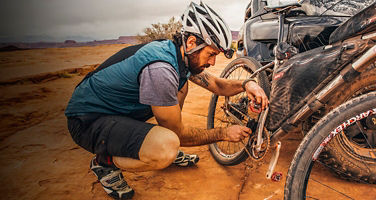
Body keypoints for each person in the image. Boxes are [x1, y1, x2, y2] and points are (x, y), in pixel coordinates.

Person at [65, 1, 269, 199]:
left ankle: (137, 143)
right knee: (167, 146)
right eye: (211, 54)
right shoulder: (162, 70)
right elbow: (178, 134)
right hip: (87, 120)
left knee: (183, 85)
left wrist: (247, 85)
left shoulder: (178, 56)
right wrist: (223, 133)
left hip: (115, 112)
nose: (212, 62)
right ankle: (104, 162)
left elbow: (217, 85)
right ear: (191, 43)